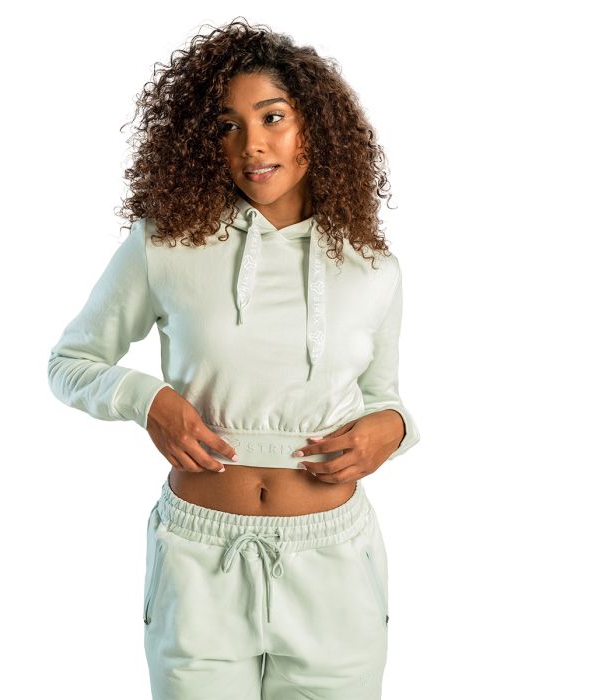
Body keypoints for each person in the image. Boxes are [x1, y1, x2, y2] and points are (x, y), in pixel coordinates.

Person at [47, 17, 420, 700]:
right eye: (227, 125)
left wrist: (391, 430)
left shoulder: (373, 268)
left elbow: (383, 397)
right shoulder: (166, 244)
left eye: (272, 117)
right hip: (199, 565)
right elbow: (72, 361)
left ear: (315, 126)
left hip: (334, 568)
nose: (252, 144)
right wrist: (148, 400)